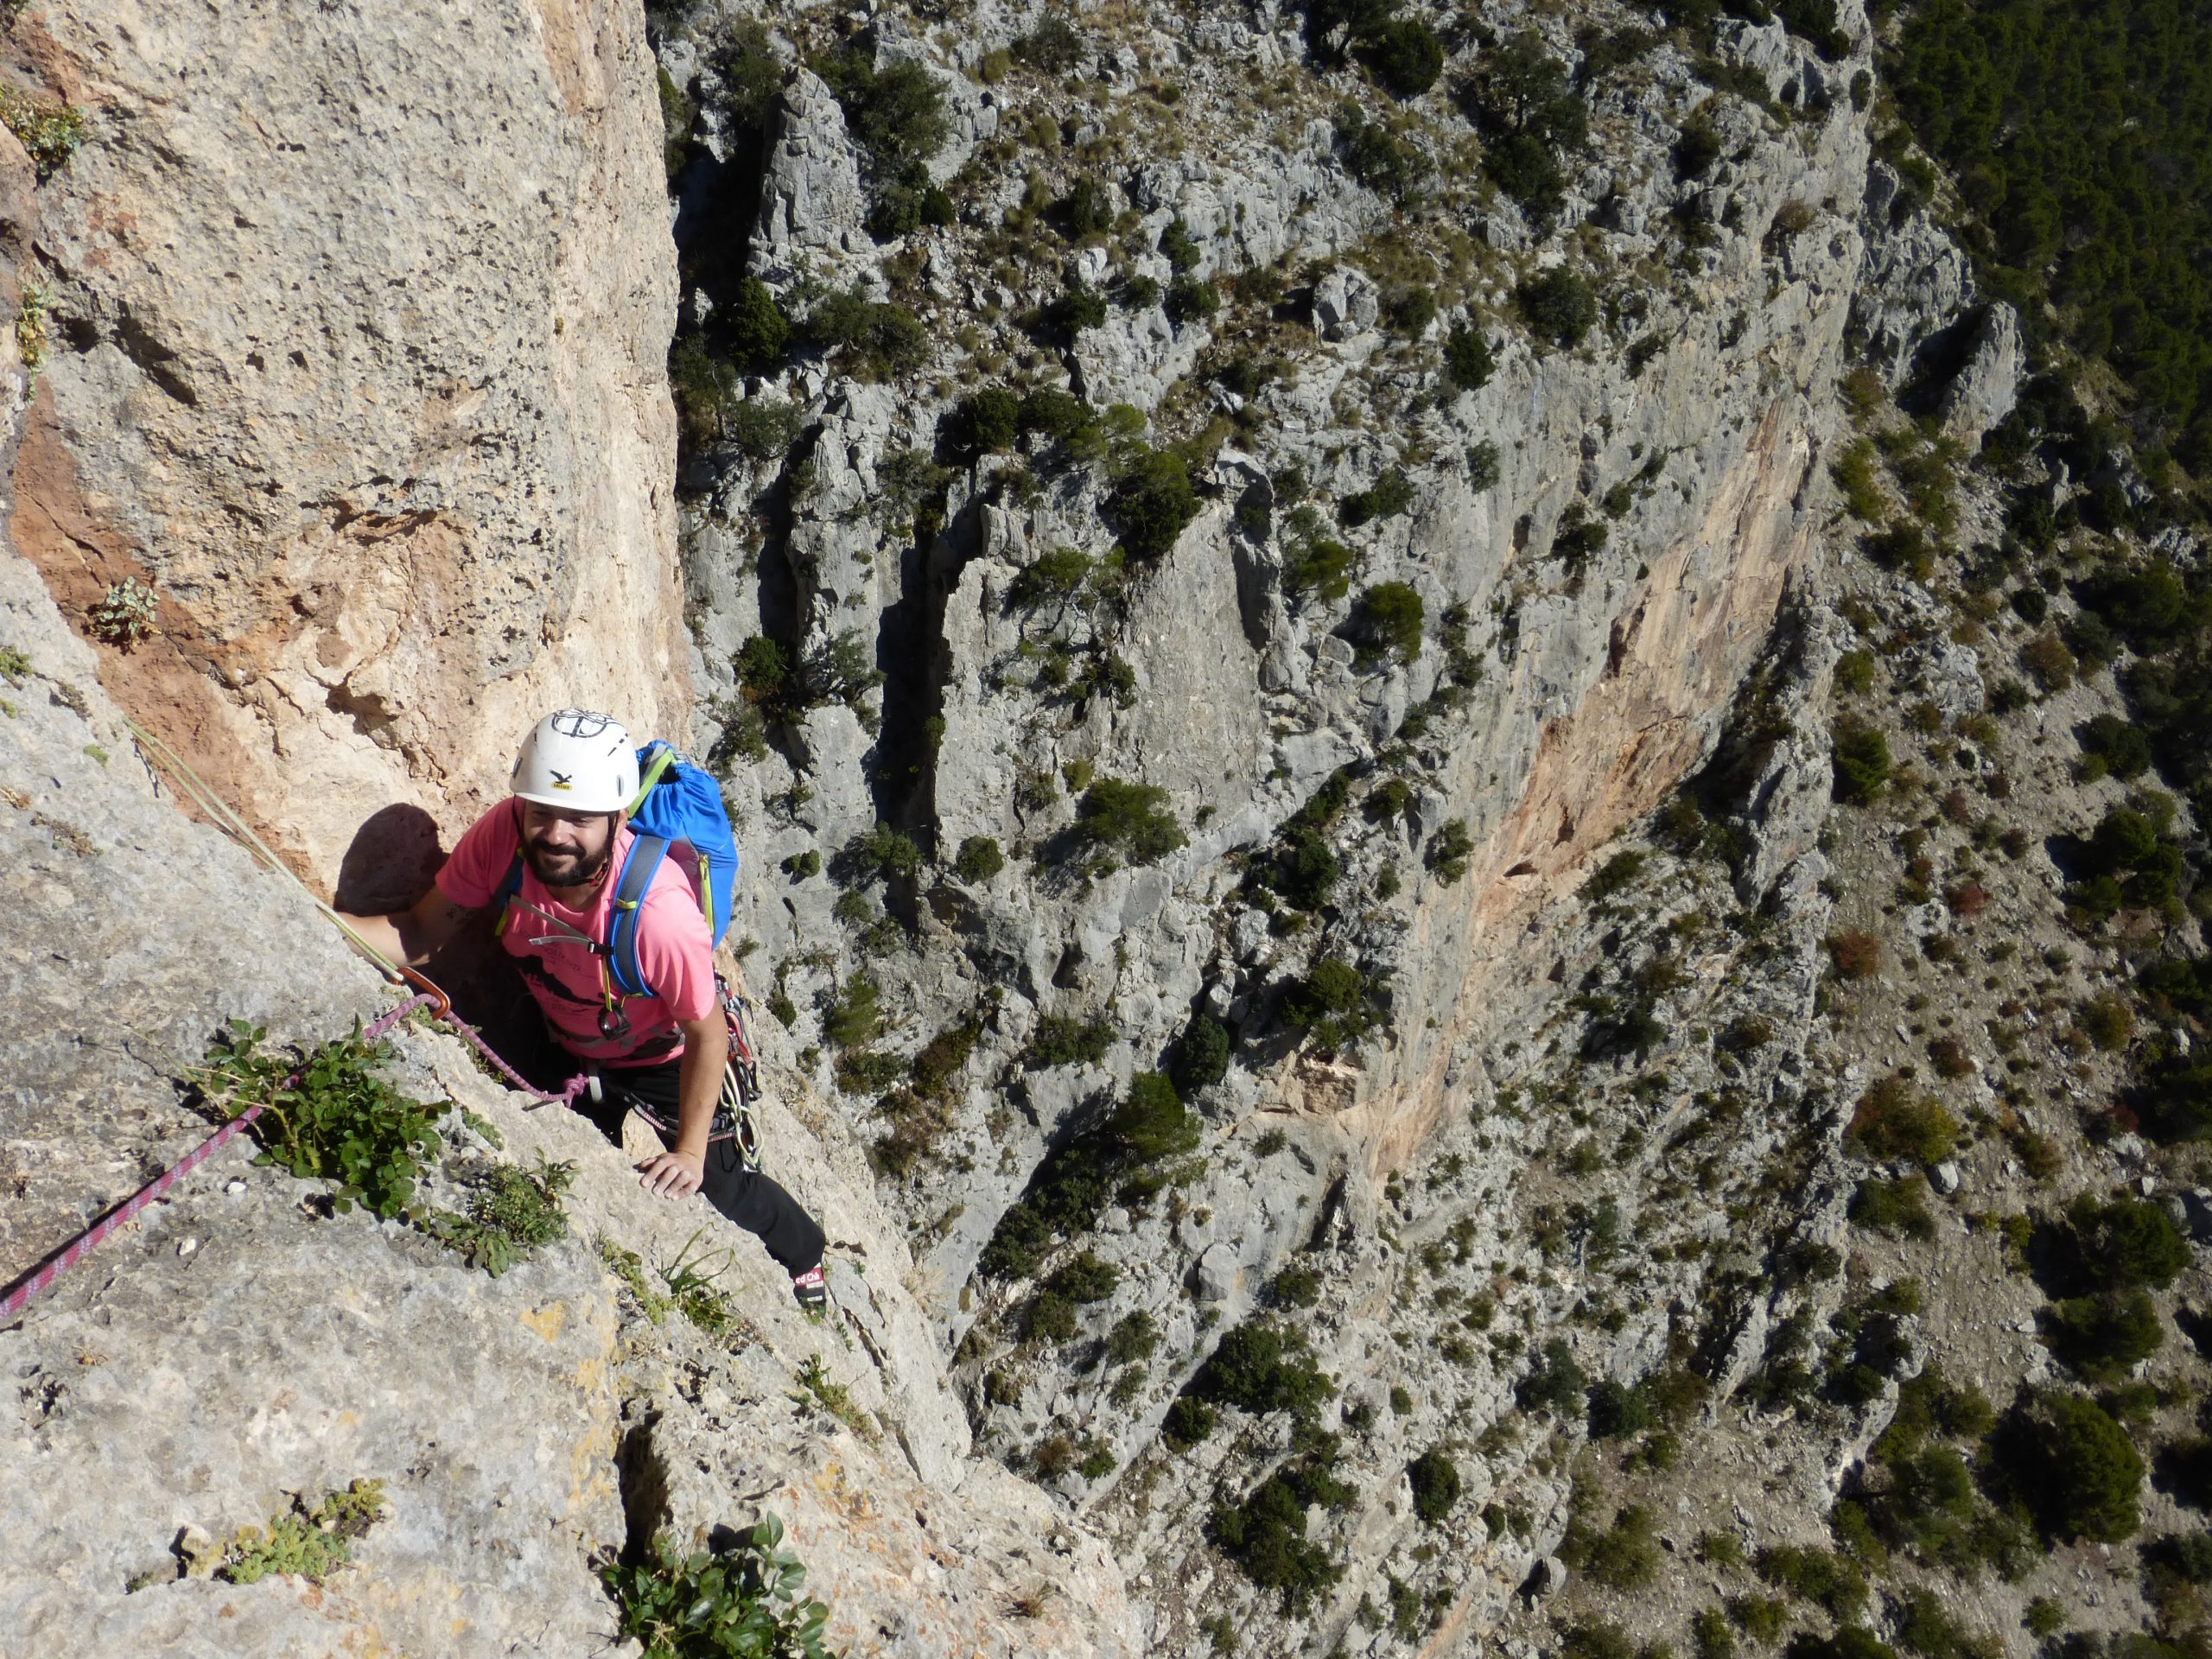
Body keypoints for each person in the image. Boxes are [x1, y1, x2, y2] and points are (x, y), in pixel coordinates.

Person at [339, 708, 829, 1311]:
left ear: (616, 816)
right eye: (543, 811)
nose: (555, 832)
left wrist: (691, 1153)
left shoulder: (658, 917)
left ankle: (805, 1253)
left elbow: (707, 1034)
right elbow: (418, 932)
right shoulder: (505, 835)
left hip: (663, 1059)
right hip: (566, 1036)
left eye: (579, 817)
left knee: (727, 1185)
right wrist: (310, 918)